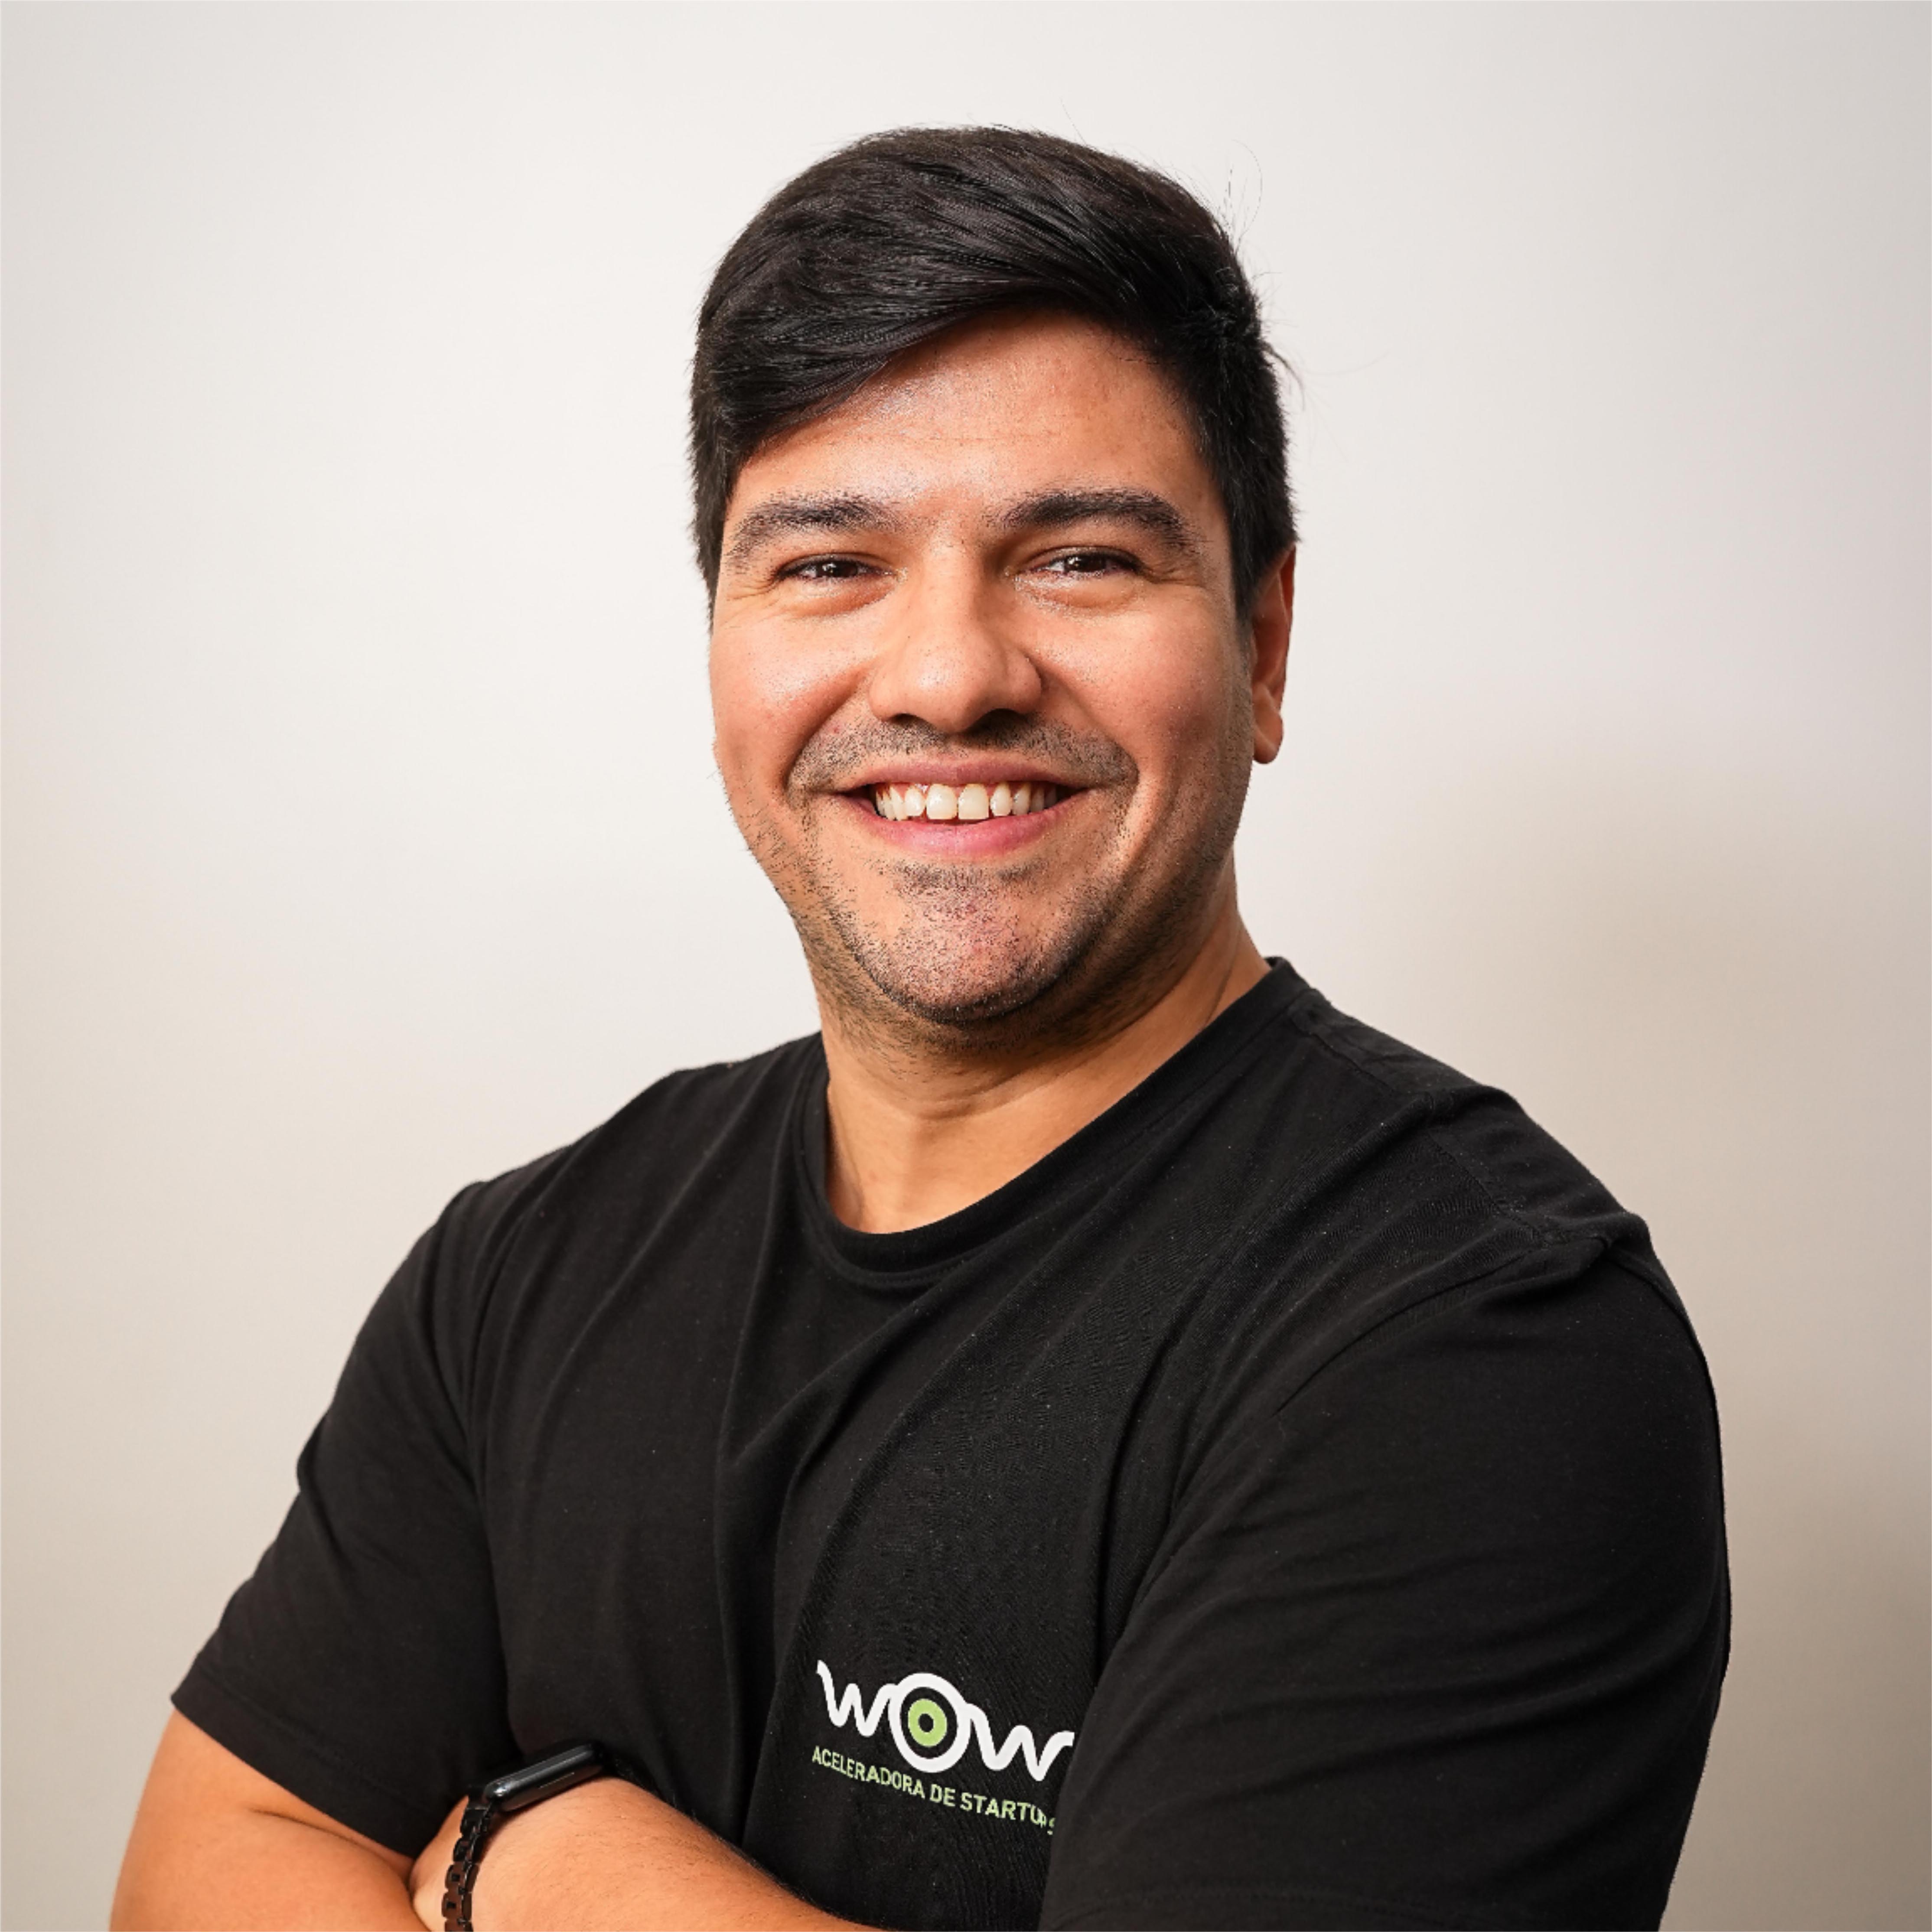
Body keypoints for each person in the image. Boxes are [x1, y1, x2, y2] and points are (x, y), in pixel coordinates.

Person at [112, 127, 1728, 1932]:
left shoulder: (1469, 1339)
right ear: (720, 640)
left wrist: (553, 1867)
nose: (950, 675)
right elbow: (202, 1868)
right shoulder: (524, 1268)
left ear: (1262, 643)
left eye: (1081, 558)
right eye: (829, 565)